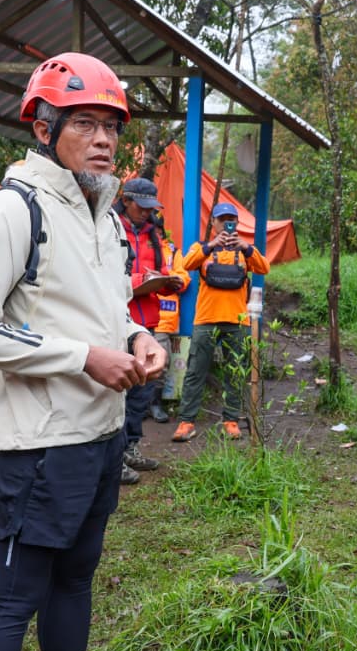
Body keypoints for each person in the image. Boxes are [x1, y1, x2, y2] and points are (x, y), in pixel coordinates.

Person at [0, 52, 165, 651]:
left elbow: (103, 308)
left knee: (76, 578)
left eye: (111, 126)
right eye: (85, 123)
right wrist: (82, 357)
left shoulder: (103, 213)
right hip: (38, 444)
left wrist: (136, 335)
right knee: (14, 598)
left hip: (98, 434)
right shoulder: (11, 211)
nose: (103, 140)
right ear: (44, 128)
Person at [171, 201, 269, 443]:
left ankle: (230, 421)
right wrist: (212, 245)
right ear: (213, 223)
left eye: (231, 220)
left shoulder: (245, 251)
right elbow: (187, 264)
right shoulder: (201, 247)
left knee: (234, 374)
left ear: (237, 223)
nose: (226, 224)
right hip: (206, 320)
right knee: (195, 371)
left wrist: (246, 247)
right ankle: (186, 421)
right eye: (222, 220)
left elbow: (264, 267)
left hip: (237, 322)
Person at [115, 177, 184, 482]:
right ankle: (114, 458)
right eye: (141, 207)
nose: (146, 212)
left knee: (141, 391)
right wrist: (139, 281)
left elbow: (161, 271)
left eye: (150, 208)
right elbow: (104, 277)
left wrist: (168, 282)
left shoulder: (153, 234)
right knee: (118, 392)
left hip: (149, 322)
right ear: (125, 201)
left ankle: (130, 448)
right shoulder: (109, 228)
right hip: (119, 322)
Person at [151, 224, 189, 419]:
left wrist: (165, 278)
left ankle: (155, 404)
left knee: (160, 361)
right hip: (136, 313)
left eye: (157, 230)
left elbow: (184, 278)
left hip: (163, 317)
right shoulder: (135, 245)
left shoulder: (173, 253)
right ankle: (137, 405)